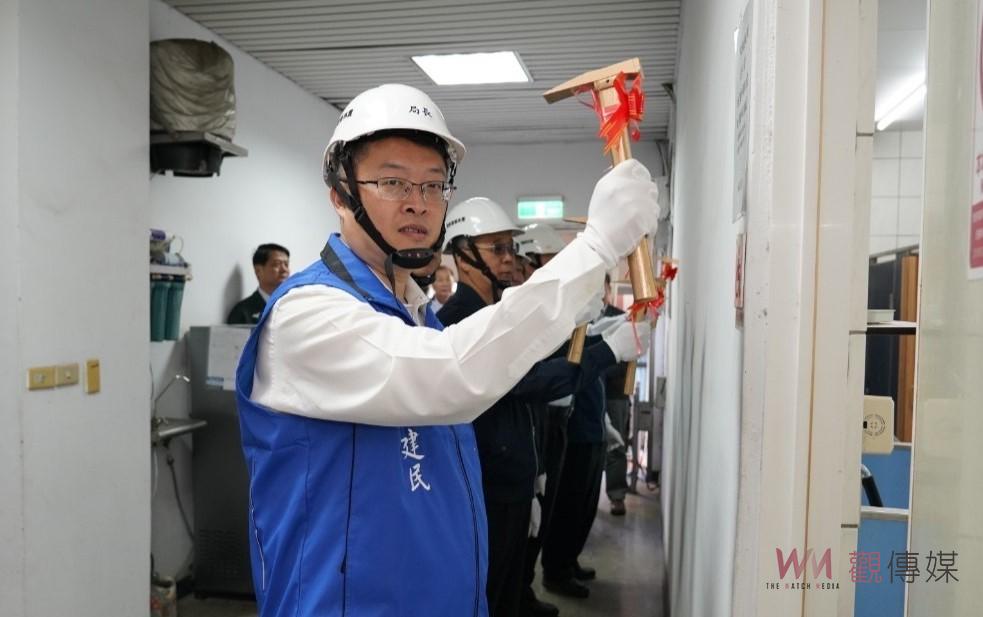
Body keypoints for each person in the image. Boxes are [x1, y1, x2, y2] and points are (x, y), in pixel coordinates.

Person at [235, 83, 661, 617]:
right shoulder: (307, 315)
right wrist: (594, 249)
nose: (417, 201)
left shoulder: (417, 314)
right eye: (392, 181)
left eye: (434, 185)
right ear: (340, 194)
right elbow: (451, 374)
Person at [438, 198, 650, 617]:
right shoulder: (460, 320)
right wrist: (608, 351)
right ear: (462, 257)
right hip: (488, 484)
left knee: (509, 588)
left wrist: (599, 338)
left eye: (509, 248)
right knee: (490, 595)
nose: (508, 259)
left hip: (513, 475)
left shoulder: (496, 314)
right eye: (497, 249)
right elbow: (532, 380)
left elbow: (542, 360)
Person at [601, 274, 633, 515]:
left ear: (608, 288)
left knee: (617, 445)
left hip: (614, 393)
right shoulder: (581, 318)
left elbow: (625, 359)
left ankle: (617, 494)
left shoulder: (619, 318)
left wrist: (597, 367)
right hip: (587, 393)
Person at [226, 243, 290, 324]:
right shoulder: (242, 312)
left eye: (286, 264)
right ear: (258, 271)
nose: (284, 270)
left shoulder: (293, 305)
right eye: (276, 264)